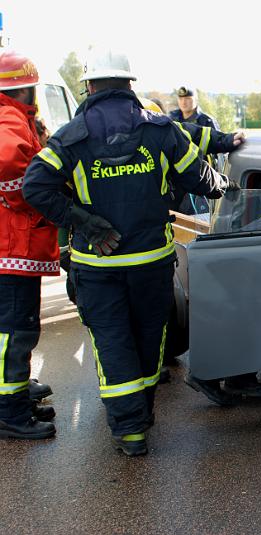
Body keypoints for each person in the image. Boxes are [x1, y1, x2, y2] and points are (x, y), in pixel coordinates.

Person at [23, 49, 231, 456]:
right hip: (151, 264)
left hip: (97, 267)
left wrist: (82, 222)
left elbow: (35, 187)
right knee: (149, 338)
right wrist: (224, 183)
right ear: (129, 84)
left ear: (90, 86)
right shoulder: (161, 129)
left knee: (112, 341)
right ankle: (143, 415)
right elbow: (198, 176)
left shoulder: (70, 136)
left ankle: (130, 430)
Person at [0, 50, 58, 440]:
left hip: (14, 246)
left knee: (14, 329)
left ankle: (16, 392)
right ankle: (9, 411)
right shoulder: (8, 121)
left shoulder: (14, 119)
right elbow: (10, 166)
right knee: (15, 331)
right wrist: (33, 194)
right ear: (25, 89)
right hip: (13, 248)